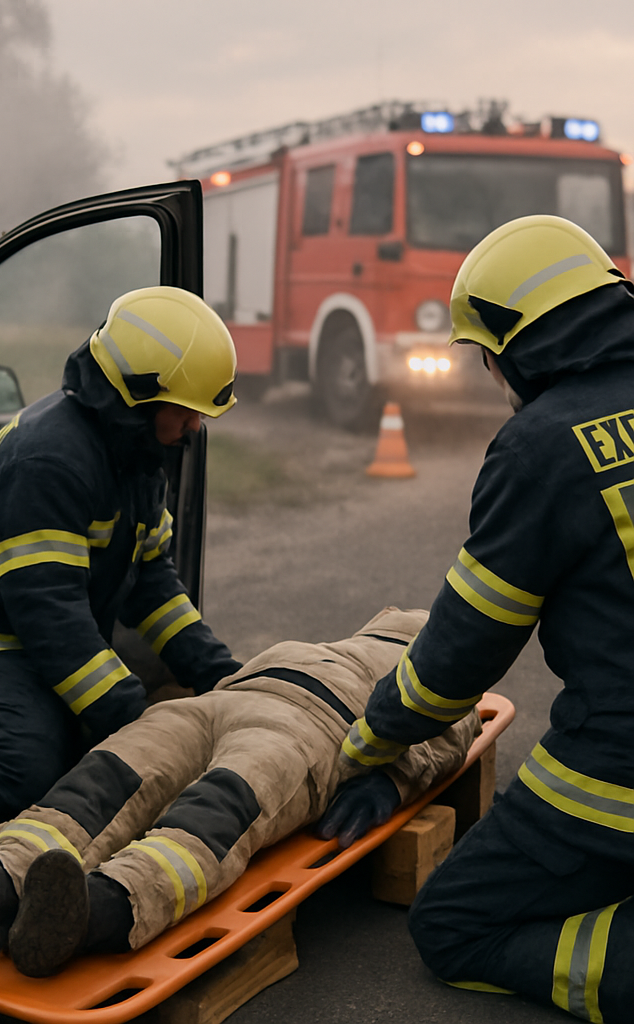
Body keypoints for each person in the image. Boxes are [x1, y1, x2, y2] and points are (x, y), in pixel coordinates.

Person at [337, 216, 634, 1021]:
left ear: (512, 344)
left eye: (486, 355)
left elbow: (465, 651)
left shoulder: (541, 444)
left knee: (455, 924)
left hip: (619, 779)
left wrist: (373, 741)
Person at [0, 606, 480, 978]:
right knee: (108, 776)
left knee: (211, 813)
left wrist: (391, 781)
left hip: (311, 729)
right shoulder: (328, 646)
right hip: (223, 703)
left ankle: (94, 909)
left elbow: (447, 737)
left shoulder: (446, 682)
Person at [0, 286, 245, 819]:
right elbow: (49, 612)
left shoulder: (134, 457)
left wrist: (219, 673)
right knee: (25, 772)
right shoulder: (49, 460)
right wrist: (126, 716)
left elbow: (152, 583)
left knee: (88, 743)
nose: (195, 427)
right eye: (186, 411)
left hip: (32, 638)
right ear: (139, 395)